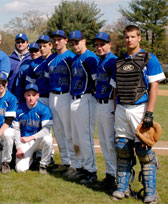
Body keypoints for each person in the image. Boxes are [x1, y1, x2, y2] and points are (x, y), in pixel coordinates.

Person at [112, 25, 165, 204]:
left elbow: (154, 86)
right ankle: (122, 187)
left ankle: (150, 191)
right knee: (122, 148)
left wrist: (149, 113)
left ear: (139, 38)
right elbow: (115, 89)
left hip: (139, 108)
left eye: (133, 37)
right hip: (121, 108)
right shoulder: (118, 61)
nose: (129, 40)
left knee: (143, 149)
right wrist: (114, 110)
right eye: (126, 37)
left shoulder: (149, 58)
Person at [68, 30, 99, 184]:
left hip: (86, 99)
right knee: (76, 137)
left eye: (77, 42)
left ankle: (91, 170)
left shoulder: (90, 58)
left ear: (84, 41)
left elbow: (96, 81)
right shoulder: (75, 59)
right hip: (74, 99)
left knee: (85, 137)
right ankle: (81, 167)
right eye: (72, 43)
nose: (75, 45)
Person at [46, 30, 78, 175]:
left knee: (68, 131)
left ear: (66, 40)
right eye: (55, 40)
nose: (57, 42)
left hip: (65, 95)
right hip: (52, 95)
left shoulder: (71, 57)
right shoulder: (51, 58)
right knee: (58, 131)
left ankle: (73, 163)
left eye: (59, 39)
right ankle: (65, 162)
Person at [93, 32, 117, 189]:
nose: (99, 47)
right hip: (99, 104)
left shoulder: (113, 61)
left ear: (110, 44)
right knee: (103, 141)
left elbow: (116, 88)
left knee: (110, 142)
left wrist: (114, 109)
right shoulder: (101, 61)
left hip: (108, 104)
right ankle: (109, 174)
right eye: (97, 45)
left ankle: (115, 176)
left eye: (102, 44)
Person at [13, 84, 53, 174]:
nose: (31, 98)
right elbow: (16, 130)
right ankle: (31, 158)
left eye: (33, 95)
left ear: (38, 96)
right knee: (20, 169)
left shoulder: (43, 109)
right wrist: (19, 148)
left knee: (48, 139)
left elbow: (46, 130)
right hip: (24, 141)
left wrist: (31, 137)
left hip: (37, 139)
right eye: (28, 95)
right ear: (25, 95)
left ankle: (43, 164)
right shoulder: (19, 109)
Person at [26, 35, 55, 106]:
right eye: (40, 47)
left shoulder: (56, 59)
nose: (42, 49)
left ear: (50, 46)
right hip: (39, 97)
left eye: (44, 46)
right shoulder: (34, 63)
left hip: (54, 96)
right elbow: (29, 83)